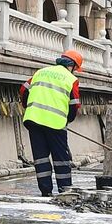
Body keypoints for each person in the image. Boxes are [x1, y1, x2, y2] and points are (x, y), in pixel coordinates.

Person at [20, 49, 83, 196]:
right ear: (72, 66)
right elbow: (74, 104)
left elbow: (24, 90)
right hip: (55, 123)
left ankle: (45, 192)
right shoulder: (70, 79)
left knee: (41, 158)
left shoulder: (41, 72)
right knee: (61, 159)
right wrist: (68, 119)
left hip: (33, 119)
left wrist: (29, 107)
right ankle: (65, 191)